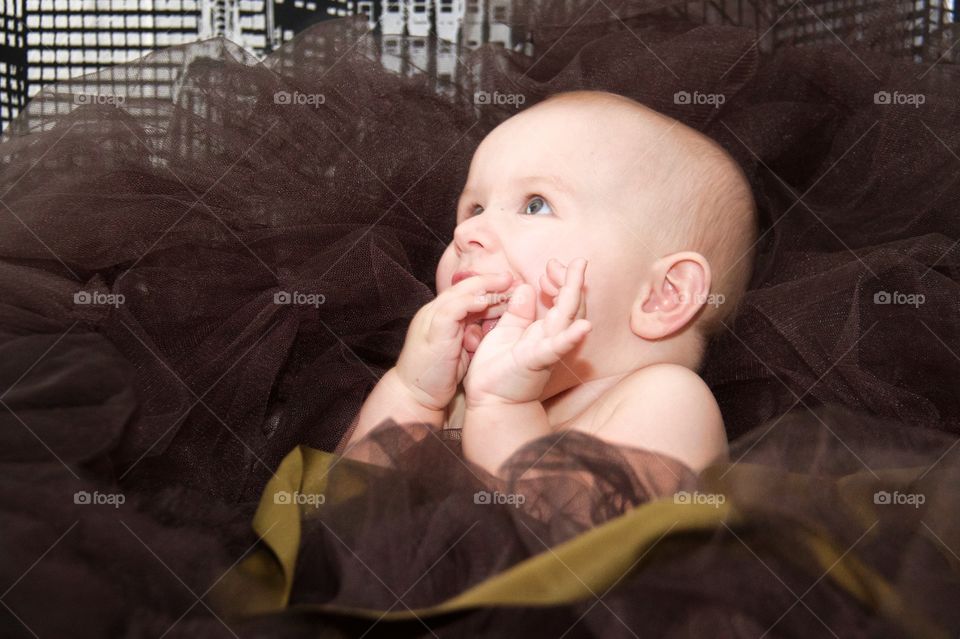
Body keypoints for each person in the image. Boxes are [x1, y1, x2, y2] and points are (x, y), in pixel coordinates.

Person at [338, 90, 757, 480]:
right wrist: (413, 393)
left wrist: (506, 409)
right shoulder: (459, 399)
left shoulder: (668, 403)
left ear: (664, 295)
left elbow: (566, 548)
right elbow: (343, 509)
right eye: (474, 208)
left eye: (535, 205)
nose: (468, 233)